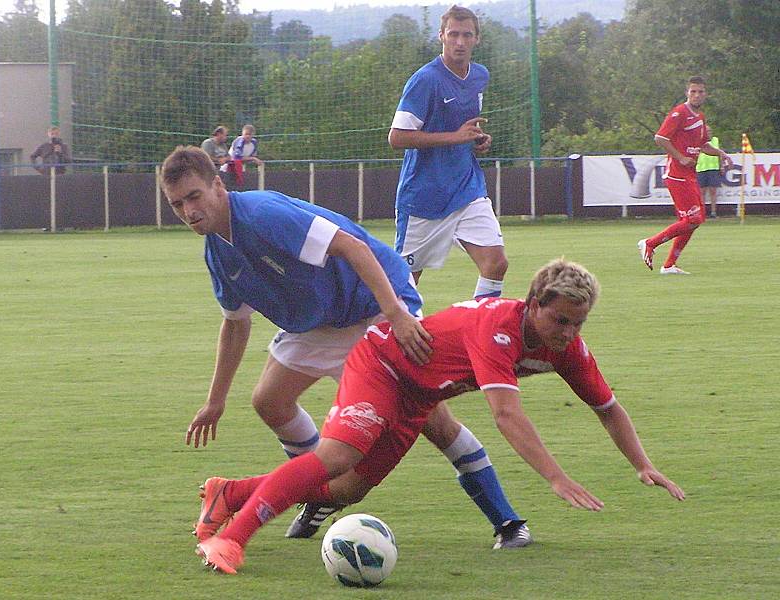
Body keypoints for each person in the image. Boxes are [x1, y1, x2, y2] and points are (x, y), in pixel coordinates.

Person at [193, 259, 685, 574]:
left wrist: (641, 463)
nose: (568, 332)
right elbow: (506, 414)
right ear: (533, 304)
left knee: (347, 490)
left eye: (578, 323)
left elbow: (608, 408)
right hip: (381, 364)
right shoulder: (498, 327)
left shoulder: (567, 348)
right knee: (338, 455)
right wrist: (556, 478)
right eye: (560, 320)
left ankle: (230, 493)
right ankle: (232, 540)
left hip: (416, 398)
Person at [160, 146, 527, 549]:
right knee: (270, 400)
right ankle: (320, 491)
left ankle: (507, 521)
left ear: (217, 185)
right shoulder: (217, 251)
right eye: (177, 204)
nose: (188, 210)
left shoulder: (263, 214)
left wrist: (398, 315)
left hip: (375, 306)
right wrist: (215, 401)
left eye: (194, 196)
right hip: (322, 321)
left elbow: (354, 247)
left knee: (432, 420)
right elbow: (234, 325)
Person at [388, 5, 507, 300]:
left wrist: (474, 140)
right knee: (404, 287)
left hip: (467, 189)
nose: (460, 42)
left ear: (477, 39)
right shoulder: (425, 80)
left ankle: (482, 332)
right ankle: (388, 340)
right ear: (441, 36)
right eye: (453, 34)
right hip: (424, 198)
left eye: (467, 35)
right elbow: (397, 137)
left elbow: (462, 129)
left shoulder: (480, 76)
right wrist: (455, 138)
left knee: (496, 264)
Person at [638, 76, 732, 275]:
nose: (697, 95)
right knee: (692, 220)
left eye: (700, 92)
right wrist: (680, 157)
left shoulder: (700, 117)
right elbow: (660, 138)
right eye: (693, 91)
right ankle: (650, 243)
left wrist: (721, 153)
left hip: (689, 175)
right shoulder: (679, 112)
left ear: (705, 94)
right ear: (686, 93)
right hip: (676, 175)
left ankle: (669, 265)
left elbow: (704, 145)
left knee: (695, 221)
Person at [696, 128, 723, 218]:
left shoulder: (715, 140)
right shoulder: (698, 140)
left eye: (710, 131)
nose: (709, 133)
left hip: (713, 168)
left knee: (713, 191)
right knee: (701, 192)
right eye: (707, 131)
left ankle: (713, 212)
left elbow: (719, 153)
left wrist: (721, 166)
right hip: (701, 168)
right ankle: (702, 212)